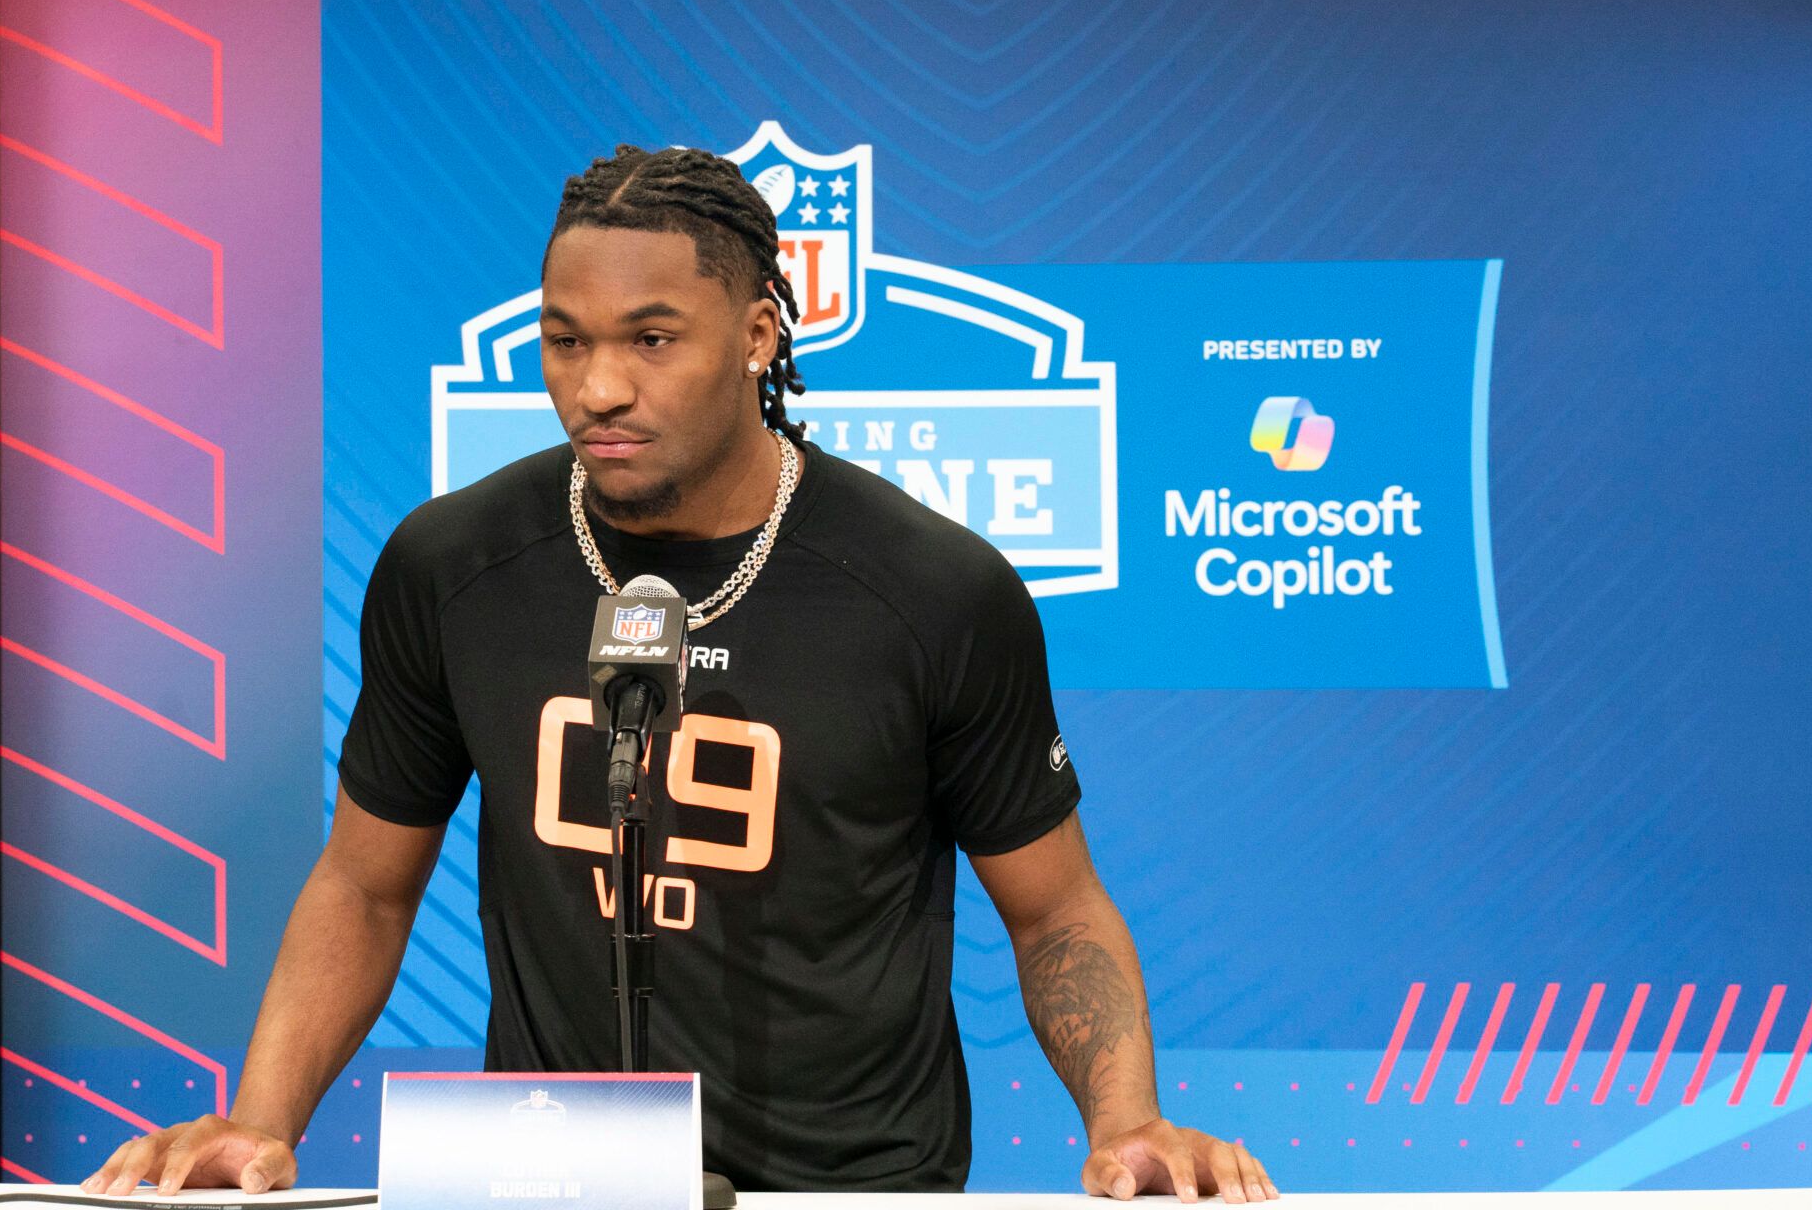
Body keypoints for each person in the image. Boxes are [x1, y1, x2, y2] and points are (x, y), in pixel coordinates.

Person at [80, 146, 1278, 1203]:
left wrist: (1126, 1121)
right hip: (548, 1179)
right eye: (565, 339)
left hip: (853, 1190)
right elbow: (366, 882)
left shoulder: (931, 591)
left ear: (759, 333)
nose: (597, 386)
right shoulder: (452, 568)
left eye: (651, 338)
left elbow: (1055, 908)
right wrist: (261, 1120)